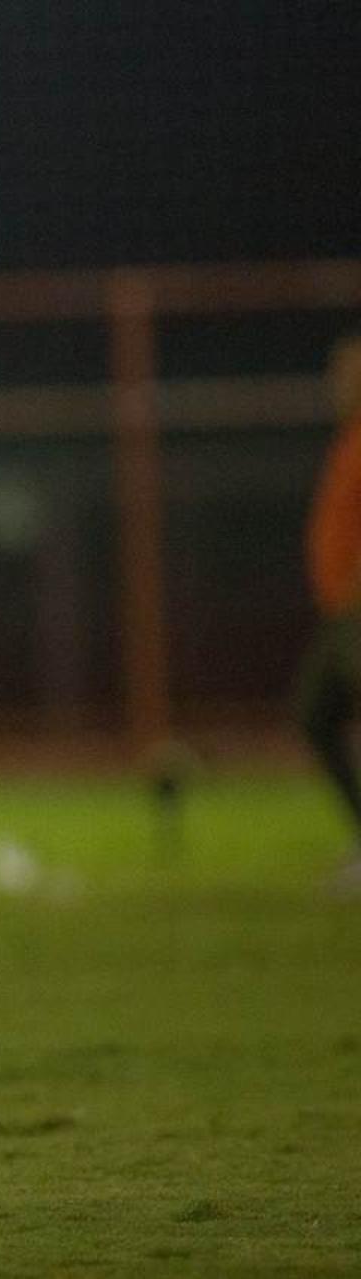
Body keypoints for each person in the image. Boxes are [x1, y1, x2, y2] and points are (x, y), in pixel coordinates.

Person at [299, 331, 361, 896]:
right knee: (315, 715)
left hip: (358, 614)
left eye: (348, 373)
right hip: (342, 613)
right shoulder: (349, 440)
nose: (338, 384)